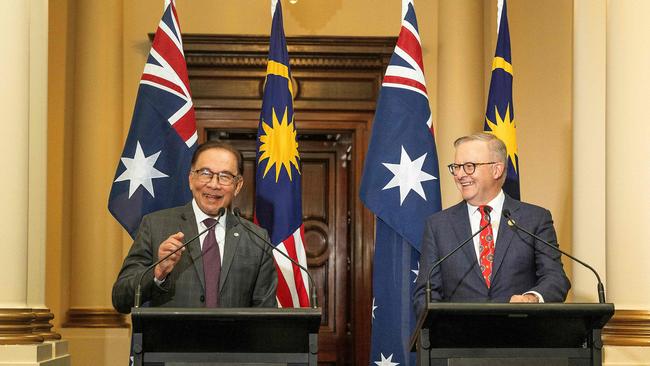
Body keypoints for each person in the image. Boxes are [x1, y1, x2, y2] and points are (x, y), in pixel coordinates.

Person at [413, 132, 570, 317]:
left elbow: (556, 278)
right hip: (460, 341)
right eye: (456, 167)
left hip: (520, 337)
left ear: (497, 170)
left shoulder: (534, 219)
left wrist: (531, 299)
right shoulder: (439, 225)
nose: (460, 174)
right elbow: (426, 292)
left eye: (469, 166)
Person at [112, 141, 278, 313]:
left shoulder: (255, 238)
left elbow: (266, 312)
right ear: (191, 179)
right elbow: (121, 299)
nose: (214, 184)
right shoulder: (155, 225)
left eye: (225, 176)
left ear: (237, 186)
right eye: (205, 173)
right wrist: (158, 271)